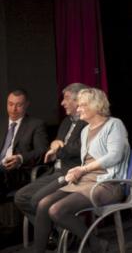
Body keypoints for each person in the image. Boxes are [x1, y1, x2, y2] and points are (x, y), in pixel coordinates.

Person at [32, 88, 129, 253]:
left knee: (57, 210)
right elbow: (86, 161)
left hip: (107, 183)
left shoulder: (114, 124)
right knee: (43, 204)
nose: (78, 109)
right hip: (84, 181)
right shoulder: (85, 131)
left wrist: (82, 169)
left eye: (82, 105)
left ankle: (95, 243)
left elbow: (114, 156)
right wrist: (77, 171)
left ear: (96, 105)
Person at [15, 83, 88, 233]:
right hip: (56, 170)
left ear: (78, 100)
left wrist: (58, 148)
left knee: (37, 200)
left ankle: (63, 231)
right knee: (21, 197)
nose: (62, 103)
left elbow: (78, 150)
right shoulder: (67, 121)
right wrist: (56, 145)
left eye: (66, 98)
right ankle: (55, 233)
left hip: (71, 172)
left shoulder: (87, 121)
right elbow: (55, 144)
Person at [1, 89, 48, 198]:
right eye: (10, 104)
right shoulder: (1, 123)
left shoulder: (36, 125)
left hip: (17, 172)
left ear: (27, 105)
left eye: (19, 105)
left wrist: (20, 158)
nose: (13, 109)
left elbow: (42, 151)